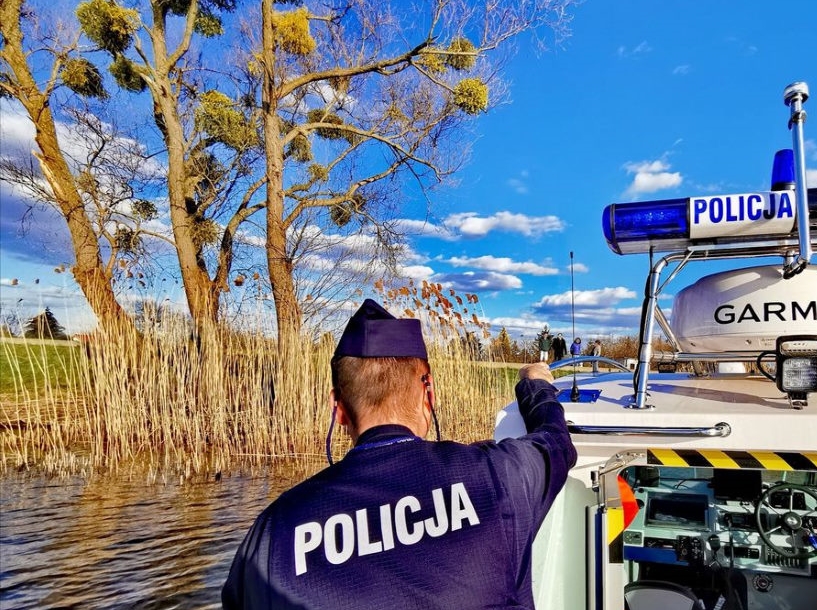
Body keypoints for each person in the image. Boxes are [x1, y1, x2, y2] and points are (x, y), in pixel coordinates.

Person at [222, 299, 577, 610]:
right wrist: (534, 383)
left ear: (338, 409)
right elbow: (555, 442)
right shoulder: (496, 479)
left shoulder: (273, 535)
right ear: (429, 395)